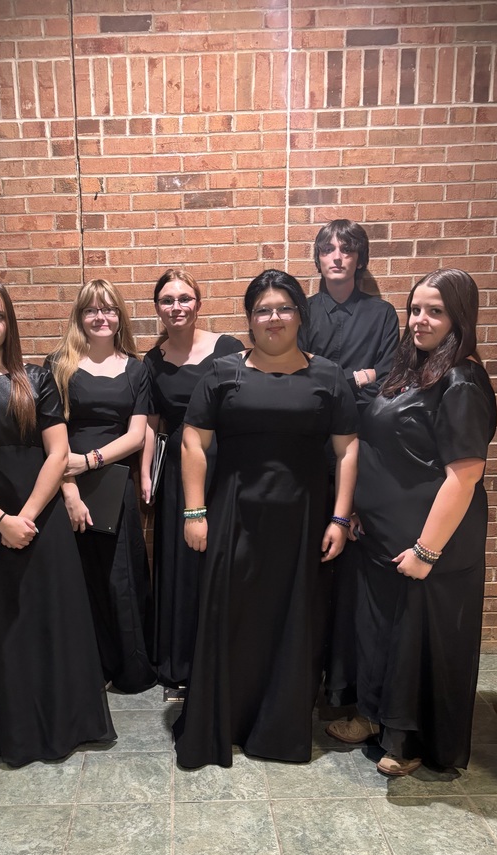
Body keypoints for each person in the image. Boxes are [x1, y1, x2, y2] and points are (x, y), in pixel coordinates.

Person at [172, 269, 358, 768]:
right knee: (231, 618)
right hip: (234, 514)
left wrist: (340, 518)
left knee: (294, 620)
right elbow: (193, 440)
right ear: (250, 319)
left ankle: (276, 727)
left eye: (283, 308)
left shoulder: (330, 376)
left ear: (300, 314)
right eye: (262, 310)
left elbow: (347, 450)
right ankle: (224, 721)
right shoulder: (223, 372)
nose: (273, 318)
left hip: (303, 520)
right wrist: (195, 510)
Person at [0, 279, 115, 767]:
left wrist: (27, 515)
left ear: (9, 323)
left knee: (49, 619)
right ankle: (7, 728)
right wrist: (0, 521)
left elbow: (57, 453)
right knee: (0, 625)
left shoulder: (38, 378)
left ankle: (62, 722)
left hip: (42, 517)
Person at [341, 268, 497, 776]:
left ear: (460, 318)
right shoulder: (412, 368)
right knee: (380, 635)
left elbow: (464, 476)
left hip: (432, 544)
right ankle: (374, 717)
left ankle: (408, 743)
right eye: (415, 310)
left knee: (417, 643)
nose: (420, 320)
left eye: (435, 311)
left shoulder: (462, 379)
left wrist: (427, 551)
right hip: (382, 537)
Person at [301, 219, 401, 713]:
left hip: (361, 444)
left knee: (352, 561)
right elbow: (296, 368)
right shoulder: (303, 309)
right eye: (328, 249)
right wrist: (349, 375)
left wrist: (334, 374)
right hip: (307, 443)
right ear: (317, 258)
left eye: (347, 249)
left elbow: (386, 376)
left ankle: (346, 683)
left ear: (360, 259)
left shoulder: (382, 313)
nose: (337, 257)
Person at [46, 280, 155, 694]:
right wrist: (70, 491)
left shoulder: (136, 368)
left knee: (121, 578)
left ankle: (130, 669)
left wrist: (91, 460)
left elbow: (136, 435)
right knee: (78, 578)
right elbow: (52, 436)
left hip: (115, 487)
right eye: (91, 310)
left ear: (119, 315)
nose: (100, 317)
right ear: (80, 317)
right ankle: (88, 669)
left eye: (108, 309)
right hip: (65, 487)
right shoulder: (59, 365)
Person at [140, 269, 243, 693]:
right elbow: (150, 422)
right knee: (181, 563)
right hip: (179, 469)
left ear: (198, 304)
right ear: (158, 309)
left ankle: (224, 658)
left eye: (184, 298)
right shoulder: (152, 359)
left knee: (224, 559)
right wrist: (145, 472)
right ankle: (181, 664)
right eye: (167, 300)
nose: (176, 306)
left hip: (226, 465)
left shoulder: (228, 349)